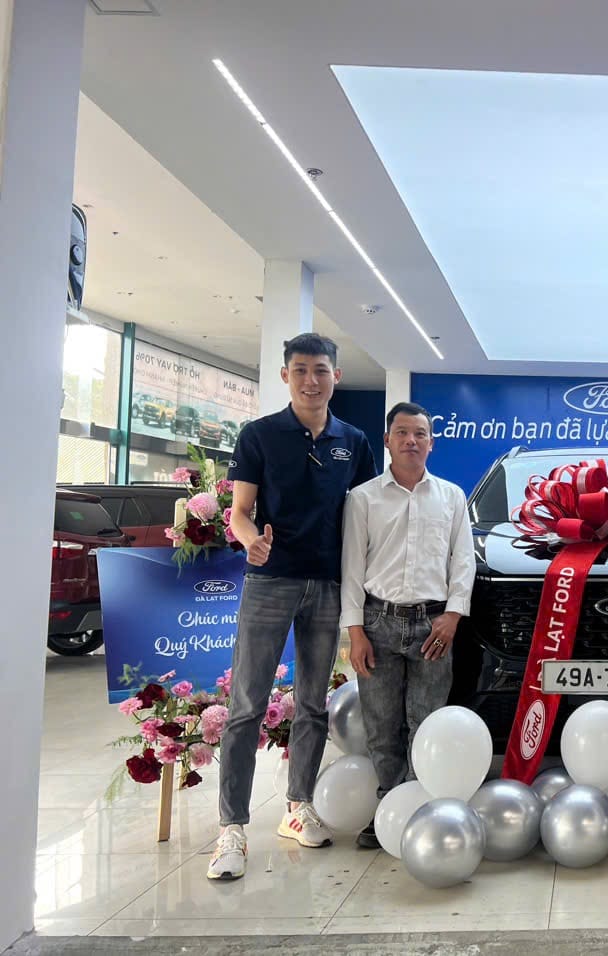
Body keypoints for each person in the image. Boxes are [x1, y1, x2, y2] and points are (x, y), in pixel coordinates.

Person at [207, 333, 378, 881]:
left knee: (312, 703)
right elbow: (240, 512)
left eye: (321, 370)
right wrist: (250, 541)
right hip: (270, 582)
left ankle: (298, 806)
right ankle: (231, 828)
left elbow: (367, 515)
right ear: (285, 375)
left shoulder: (353, 441)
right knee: (246, 705)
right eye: (300, 370)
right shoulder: (259, 435)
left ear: (336, 376)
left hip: (327, 584)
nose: (311, 380)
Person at [340, 402, 475, 849]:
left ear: (431, 443)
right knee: (382, 726)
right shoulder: (363, 499)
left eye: (420, 433)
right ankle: (387, 811)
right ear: (387, 440)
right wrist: (355, 631)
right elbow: (352, 567)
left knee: (427, 723)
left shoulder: (452, 497)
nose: (411, 440)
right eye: (402, 432)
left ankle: (419, 809)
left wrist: (453, 615)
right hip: (377, 623)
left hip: (433, 626)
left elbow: (463, 561)